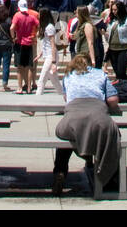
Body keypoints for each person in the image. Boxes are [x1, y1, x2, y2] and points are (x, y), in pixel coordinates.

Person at [51, 52, 122, 196]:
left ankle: (60, 171)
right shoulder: (100, 75)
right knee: (108, 135)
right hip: (98, 118)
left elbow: (67, 97)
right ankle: (108, 176)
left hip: (73, 119)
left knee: (65, 137)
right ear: (90, 63)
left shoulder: (68, 76)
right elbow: (113, 100)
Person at [11, 0, 39, 94]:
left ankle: (19, 87)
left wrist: (13, 37)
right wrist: (34, 35)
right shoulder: (32, 17)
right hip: (29, 42)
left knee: (19, 67)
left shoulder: (17, 16)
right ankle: (28, 86)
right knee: (28, 66)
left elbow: (12, 27)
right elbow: (39, 25)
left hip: (19, 42)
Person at [105, 0, 127, 80]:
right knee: (117, 72)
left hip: (124, 49)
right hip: (112, 49)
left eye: (115, 10)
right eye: (112, 10)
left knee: (121, 72)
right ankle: (123, 87)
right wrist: (104, 33)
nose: (114, 12)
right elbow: (109, 36)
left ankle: (125, 88)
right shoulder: (112, 21)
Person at [37, 8, 63, 95]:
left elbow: (52, 44)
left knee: (42, 79)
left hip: (51, 56)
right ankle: (63, 94)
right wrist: (40, 54)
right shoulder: (45, 27)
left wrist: (53, 61)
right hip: (47, 54)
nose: (38, 15)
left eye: (39, 14)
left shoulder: (49, 27)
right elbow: (46, 43)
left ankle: (37, 98)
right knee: (54, 78)